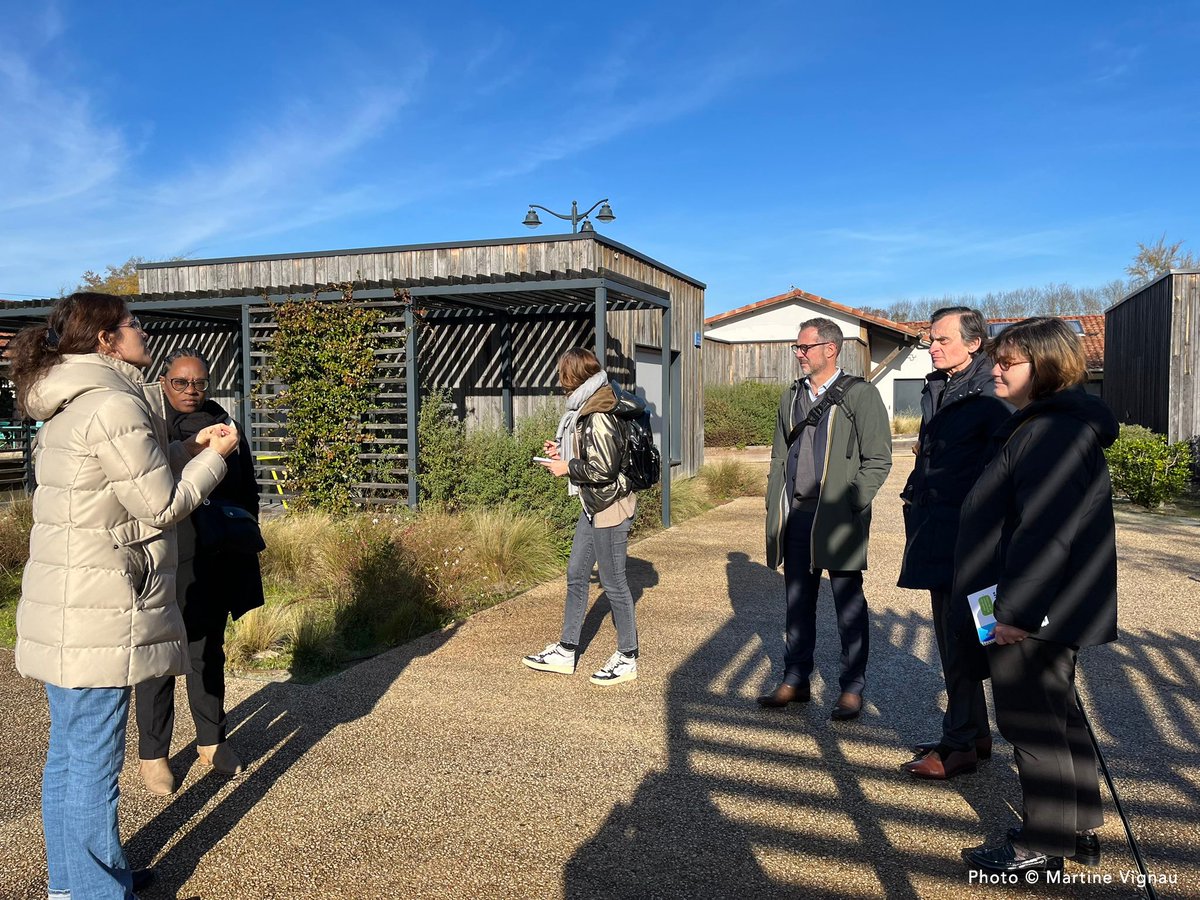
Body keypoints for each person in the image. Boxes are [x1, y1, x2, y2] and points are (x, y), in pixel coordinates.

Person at [8, 293, 239, 899]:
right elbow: (159, 504)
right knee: (92, 762)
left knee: (70, 754)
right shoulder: (113, 402)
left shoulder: (74, 398)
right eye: (132, 324)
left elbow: (128, 476)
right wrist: (214, 460)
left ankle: (82, 878)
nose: (142, 331)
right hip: (100, 604)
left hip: (69, 601)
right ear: (106, 340)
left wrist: (187, 449)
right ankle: (93, 892)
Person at [957, 317, 1117, 874]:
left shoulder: (1051, 432)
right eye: (997, 360)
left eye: (1008, 363)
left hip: (1031, 608)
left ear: (1045, 369)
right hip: (1044, 604)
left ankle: (1041, 846)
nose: (995, 369)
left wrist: (1017, 614)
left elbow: (1045, 532)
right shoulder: (1046, 424)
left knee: (1030, 722)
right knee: (1056, 715)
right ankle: (1075, 830)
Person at [134, 348, 264, 795]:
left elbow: (245, 489)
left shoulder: (223, 421)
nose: (191, 391)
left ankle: (211, 740)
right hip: (160, 557)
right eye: (181, 383)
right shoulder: (147, 422)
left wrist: (244, 545)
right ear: (164, 380)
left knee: (206, 653)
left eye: (199, 383)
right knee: (157, 660)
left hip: (210, 557)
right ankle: (154, 755)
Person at [897, 308, 1012, 780]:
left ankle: (962, 743)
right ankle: (970, 734)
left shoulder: (992, 395)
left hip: (975, 538)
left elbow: (999, 470)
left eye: (942, 339)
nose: (933, 346)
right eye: (931, 340)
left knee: (976, 639)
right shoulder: (940, 386)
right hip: (937, 528)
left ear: (974, 343)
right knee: (950, 636)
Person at [760, 318, 892, 720]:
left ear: (830, 349)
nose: (799, 354)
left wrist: (852, 501)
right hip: (798, 514)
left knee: (848, 604)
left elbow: (878, 459)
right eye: (797, 348)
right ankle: (795, 679)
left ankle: (851, 687)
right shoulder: (791, 396)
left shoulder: (860, 395)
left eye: (805, 348)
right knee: (797, 603)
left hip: (838, 518)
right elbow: (781, 453)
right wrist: (774, 501)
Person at [522, 347, 647, 686]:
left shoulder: (601, 409)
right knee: (577, 573)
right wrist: (562, 452)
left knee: (614, 583)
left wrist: (567, 468)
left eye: (563, 373)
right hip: (594, 503)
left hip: (610, 504)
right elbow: (591, 450)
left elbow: (603, 468)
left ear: (573, 375)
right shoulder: (587, 405)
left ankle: (627, 656)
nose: (560, 381)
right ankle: (566, 650)